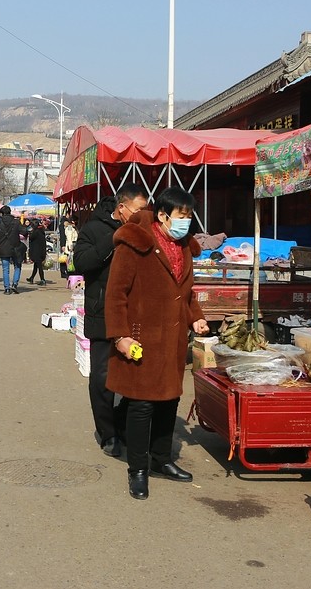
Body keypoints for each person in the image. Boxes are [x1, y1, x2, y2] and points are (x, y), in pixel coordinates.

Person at [105, 186, 209, 500]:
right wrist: (120, 336)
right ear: (162, 216)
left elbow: (185, 293)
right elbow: (115, 294)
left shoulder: (184, 247)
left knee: (168, 401)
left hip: (173, 338)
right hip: (141, 337)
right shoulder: (135, 243)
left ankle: (162, 459)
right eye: (181, 216)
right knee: (142, 405)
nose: (186, 222)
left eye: (189, 216)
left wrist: (195, 318)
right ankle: (138, 469)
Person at [72, 183, 149, 457]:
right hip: (102, 312)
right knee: (102, 377)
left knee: (138, 373)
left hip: (135, 314)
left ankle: (123, 422)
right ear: (122, 207)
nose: (142, 215)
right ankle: (108, 433)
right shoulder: (93, 229)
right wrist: (115, 238)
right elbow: (82, 264)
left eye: (145, 210)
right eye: (138, 210)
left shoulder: (145, 230)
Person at [0, 205, 28, 295]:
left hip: (3, 248)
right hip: (15, 247)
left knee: (5, 269)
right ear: (10, 212)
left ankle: (7, 288)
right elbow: (24, 231)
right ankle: (15, 284)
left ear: (2, 213)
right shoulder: (16, 222)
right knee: (17, 266)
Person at [25, 219, 48, 286]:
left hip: (37, 251)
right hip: (41, 251)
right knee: (36, 265)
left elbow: (31, 237)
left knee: (39, 266)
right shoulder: (41, 231)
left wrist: (30, 232)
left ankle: (42, 279)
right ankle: (31, 278)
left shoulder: (36, 232)